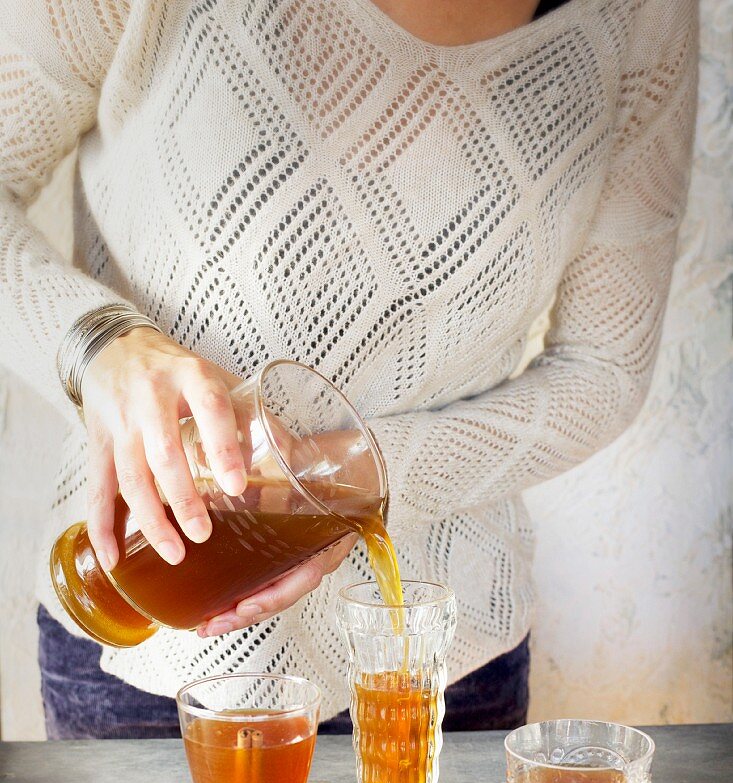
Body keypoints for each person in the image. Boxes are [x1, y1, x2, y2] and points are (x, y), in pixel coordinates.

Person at [0, 0, 697, 739]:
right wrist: (99, 344)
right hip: (151, 616)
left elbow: (604, 368)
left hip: (440, 663)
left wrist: (344, 482)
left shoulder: (642, 17)